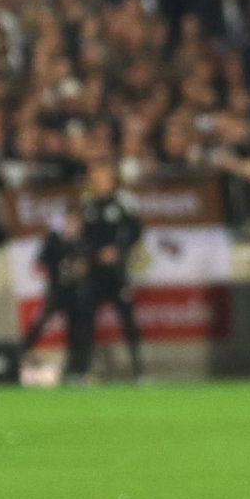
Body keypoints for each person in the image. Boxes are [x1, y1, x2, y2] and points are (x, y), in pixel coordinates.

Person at [71, 161, 145, 381]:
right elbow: (79, 237)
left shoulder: (123, 205)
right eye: (98, 179)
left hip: (116, 273)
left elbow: (135, 230)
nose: (102, 182)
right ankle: (81, 370)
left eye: (105, 178)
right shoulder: (86, 206)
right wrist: (92, 255)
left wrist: (118, 250)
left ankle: (139, 370)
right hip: (94, 273)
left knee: (128, 320)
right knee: (86, 321)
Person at [20, 209, 89, 382]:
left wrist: (82, 268)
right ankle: (20, 355)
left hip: (75, 293)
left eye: (77, 222)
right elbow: (42, 260)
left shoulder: (83, 241)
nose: (74, 225)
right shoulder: (54, 239)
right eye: (71, 221)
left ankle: (74, 369)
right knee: (41, 323)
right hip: (57, 291)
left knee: (76, 331)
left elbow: (89, 263)